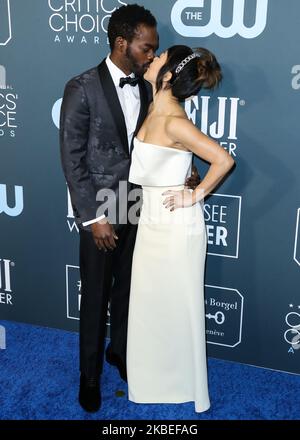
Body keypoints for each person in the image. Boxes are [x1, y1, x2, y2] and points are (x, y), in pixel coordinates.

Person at [60, 5, 199, 413]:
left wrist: (185, 176)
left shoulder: (148, 88)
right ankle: (89, 376)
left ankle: (120, 352)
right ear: (122, 43)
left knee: (128, 290)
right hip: (100, 208)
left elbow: (159, 144)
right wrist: (94, 218)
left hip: (140, 202)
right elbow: (72, 159)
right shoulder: (81, 87)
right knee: (96, 295)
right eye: (146, 48)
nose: (151, 57)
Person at [127, 45, 235, 413]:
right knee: (152, 306)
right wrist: (186, 172)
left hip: (175, 227)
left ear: (168, 76)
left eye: (159, 59)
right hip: (152, 222)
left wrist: (196, 195)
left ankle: (184, 385)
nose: (151, 59)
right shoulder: (157, 107)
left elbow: (223, 160)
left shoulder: (174, 120)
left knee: (179, 305)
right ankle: (155, 380)